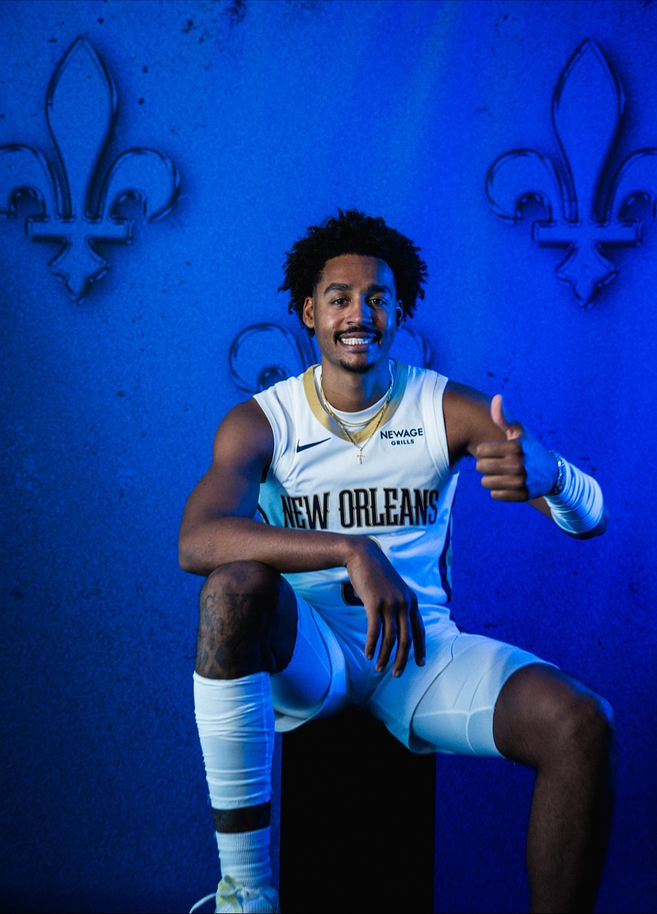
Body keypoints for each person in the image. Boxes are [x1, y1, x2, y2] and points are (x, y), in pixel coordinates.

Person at [179, 209, 615, 914]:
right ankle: (245, 893)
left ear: (400, 310)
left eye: (377, 297)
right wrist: (351, 549)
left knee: (582, 723)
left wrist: (555, 478)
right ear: (309, 312)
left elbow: (592, 521)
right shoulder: (265, 420)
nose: (360, 313)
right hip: (311, 655)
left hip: (419, 655)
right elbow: (197, 541)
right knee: (233, 588)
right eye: (340, 298)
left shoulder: (445, 407)